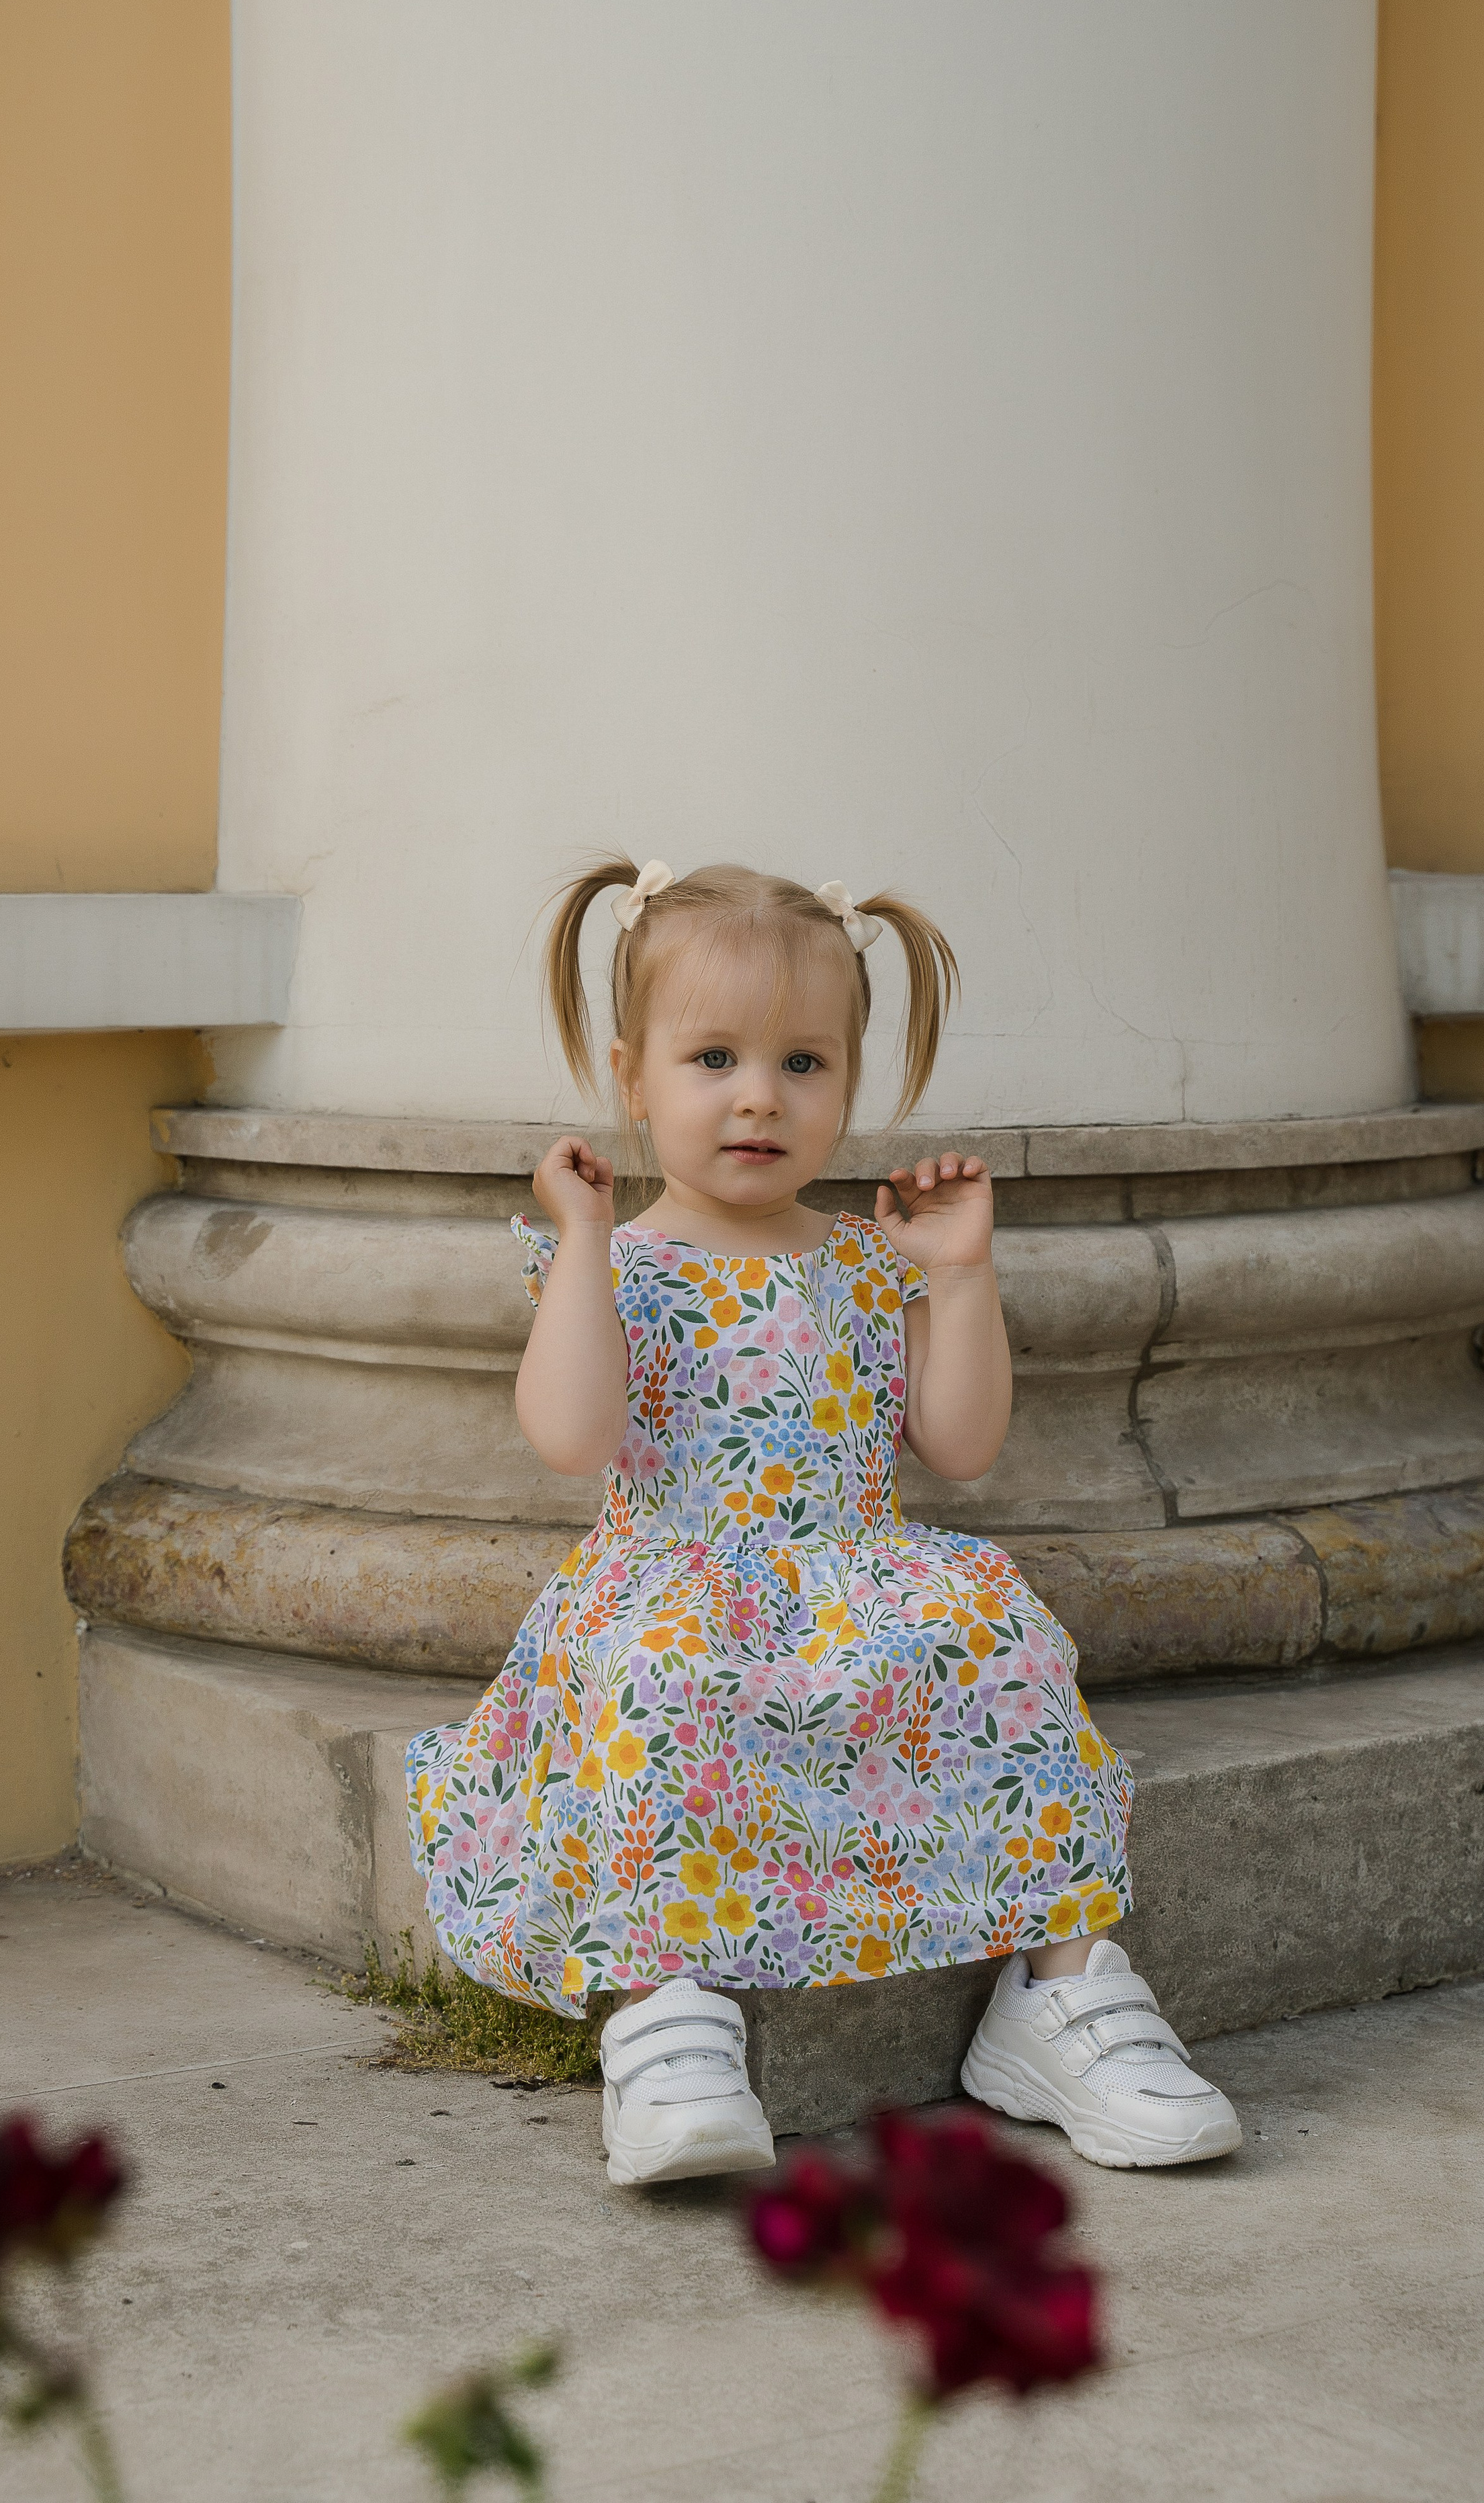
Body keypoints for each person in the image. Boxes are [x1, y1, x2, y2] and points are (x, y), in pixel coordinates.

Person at [405, 857, 1241, 2184]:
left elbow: (957, 1447)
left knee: (1003, 1646)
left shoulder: (867, 1258)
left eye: (803, 1063)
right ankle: (665, 2010)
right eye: (713, 1057)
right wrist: (576, 1241)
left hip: (863, 1578)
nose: (757, 1094)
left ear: (848, 1084)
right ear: (632, 1080)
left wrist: (959, 1279)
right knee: (663, 1688)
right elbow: (570, 1435)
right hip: (674, 1580)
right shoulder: (622, 1264)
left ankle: (1059, 1993)